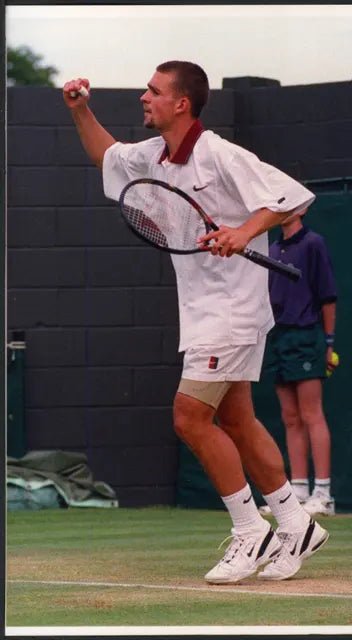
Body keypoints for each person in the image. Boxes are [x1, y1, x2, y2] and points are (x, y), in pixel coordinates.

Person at [63, 60, 329, 583]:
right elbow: (105, 156)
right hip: (206, 311)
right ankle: (297, 523)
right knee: (236, 420)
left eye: (154, 91)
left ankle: (250, 531)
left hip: (231, 312)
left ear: (181, 103)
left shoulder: (220, 153)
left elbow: (292, 196)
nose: (144, 97)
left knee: (188, 418)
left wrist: (242, 230)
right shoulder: (151, 155)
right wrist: (80, 110)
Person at [260, 212, 337, 517]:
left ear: (301, 208)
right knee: (290, 417)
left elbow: (328, 297)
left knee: (311, 414)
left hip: (306, 336)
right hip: (279, 338)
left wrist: (328, 343)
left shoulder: (314, 243)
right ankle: (300, 490)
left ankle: (324, 494)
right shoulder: (271, 249)